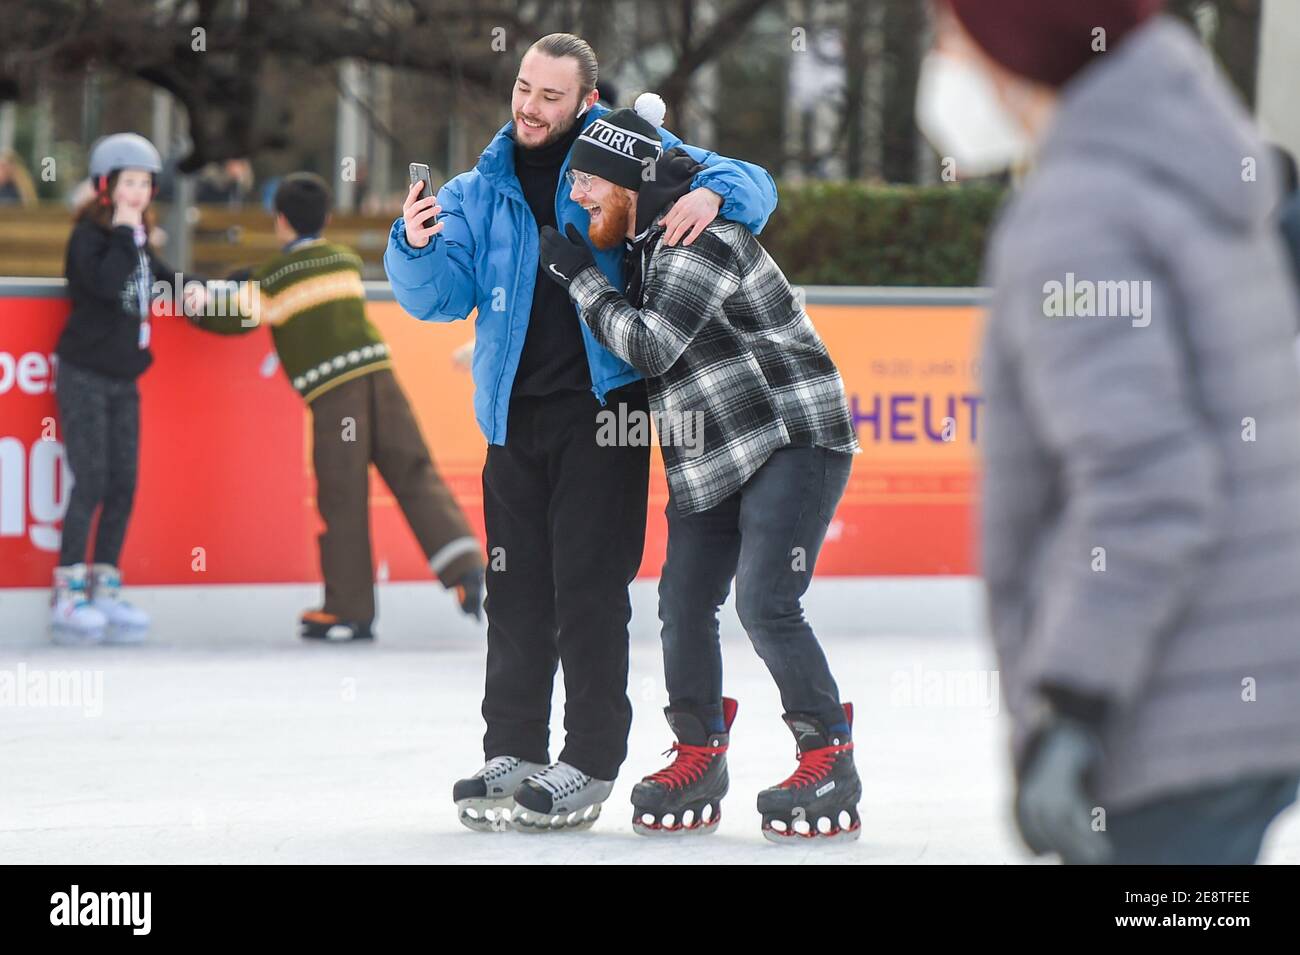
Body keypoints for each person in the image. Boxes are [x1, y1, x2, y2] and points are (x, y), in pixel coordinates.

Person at [921, 0, 1300, 863]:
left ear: (1015, 44)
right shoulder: (1189, 165)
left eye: (950, 36)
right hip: (1248, 686)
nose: (941, 63)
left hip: (1165, 704)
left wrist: (1073, 703)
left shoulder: (1079, 214)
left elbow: (1148, 483)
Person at [383, 33, 778, 832]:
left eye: (550, 96)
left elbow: (754, 183)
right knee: (516, 592)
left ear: (586, 102)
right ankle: (515, 749)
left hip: (607, 412)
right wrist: (415, 245)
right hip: (511, 415)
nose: (530, 106)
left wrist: (715, 196)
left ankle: (591, 759)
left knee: (590, 592)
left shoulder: (623, 149)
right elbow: (438, 297)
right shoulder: (476, 187)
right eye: (524, 88)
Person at [538, 109, 861, 842]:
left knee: (767, 601)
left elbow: (651, 347)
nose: (580, 196)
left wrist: (584, 282)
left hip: (791, 435)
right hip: (712, 453)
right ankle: (699, 749)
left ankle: (829, 753)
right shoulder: (650, 246)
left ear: (628, 183)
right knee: (682, 602)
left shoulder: (697, 240)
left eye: (589, 182)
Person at [191, 172, 484, 641]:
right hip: (381, 379)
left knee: (343, 494)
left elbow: (238, 316)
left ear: (279, 220)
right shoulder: (343, 261)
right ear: (326, 218)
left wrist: (197, 300)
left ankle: (349, 607)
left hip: (336, 396)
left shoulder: (278, 275)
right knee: (414, 472)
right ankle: (465, 567)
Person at [53, 133, 200, 644]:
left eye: (144, 184)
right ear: (105, 186)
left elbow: (157, 278)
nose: (137, 193)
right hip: (85, 374)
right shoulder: (92, 240)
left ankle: (105, 587)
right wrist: (122, 232)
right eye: (127, 183)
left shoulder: (135, 240)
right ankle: (68, 593)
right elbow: (105, 287)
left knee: (123, 484)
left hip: (123, 379)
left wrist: (192, 288)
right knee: (90, 480)